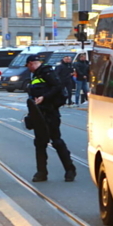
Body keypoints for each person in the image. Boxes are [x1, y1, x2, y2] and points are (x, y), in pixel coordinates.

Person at [24, 54, 76, 182]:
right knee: (40, 143)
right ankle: (41, 172)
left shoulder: (46, 72)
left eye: (28, 66)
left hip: (50, 112)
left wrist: (44, 97)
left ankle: (70, 170)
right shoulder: (36, 74)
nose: (28, 68)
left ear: (31, 63)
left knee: (56, 141)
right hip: (39, 113)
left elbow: (57, 86)